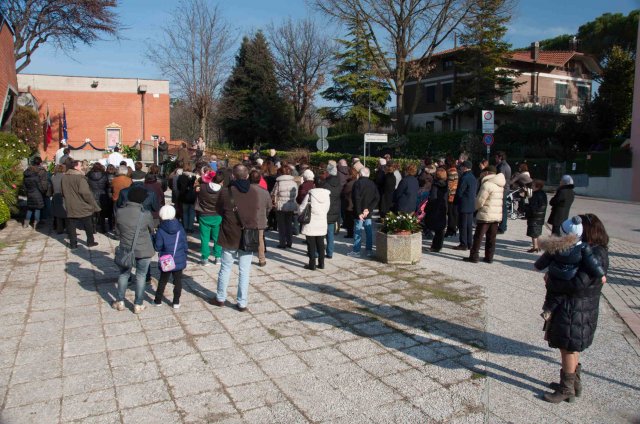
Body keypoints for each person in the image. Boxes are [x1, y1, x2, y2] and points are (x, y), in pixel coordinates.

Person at [542, 213, 609, 403]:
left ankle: (566, 389)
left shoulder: (593, 254)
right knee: (572, 345)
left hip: (575, 308)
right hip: (580, 307)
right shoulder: (594, 251)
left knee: (568, 348)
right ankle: (573, 382)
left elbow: (578, 283)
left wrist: (552, 281)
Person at [535, 216, 605, 326]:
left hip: (572, 310)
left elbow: (546, 258)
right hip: (569, 279)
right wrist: (601, 275)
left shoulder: (558, 246)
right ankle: (549, 309)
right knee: (554, 294)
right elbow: (593, 264)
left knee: (552, 294)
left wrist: (540, 269)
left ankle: (548, 309)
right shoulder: (584, 248)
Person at [210, 164, 260, 312]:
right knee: (244, 270)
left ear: (233, 176)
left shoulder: (226, 192)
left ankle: (220, 298)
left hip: (230, 233)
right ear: (246, 176)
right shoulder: (254, 192)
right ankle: (242, 302)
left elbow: (218, 209)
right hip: (248, 234)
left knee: (225, 267)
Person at [112, 186, 155, 314]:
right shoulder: (145, 214)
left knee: (124, 274)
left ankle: (120, 301)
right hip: (144, 249)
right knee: (141, 276)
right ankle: (138, 304)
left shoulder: (119, 212)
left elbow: (118, 231)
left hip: (126, 248)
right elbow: (151, 229)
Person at [464, 165, 504, 263]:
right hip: (496, 215)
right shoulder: (500, 184)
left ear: (486, 173)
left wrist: (475, 208)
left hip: (485, 214)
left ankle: (474, 256)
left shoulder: (487, 184)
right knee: (491, 238)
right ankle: (489, 257)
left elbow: (480, 201)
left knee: (478, 237)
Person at [153, 205, 189, 309]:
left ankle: (158, 300)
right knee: (178, 281)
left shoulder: (161, 230)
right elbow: (185, 243)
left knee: (163, 280)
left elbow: (158, 247)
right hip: (179, 257)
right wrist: (184, 254)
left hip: (167, 260)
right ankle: (176, 302)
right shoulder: (180, 227)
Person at [61, 160, 101, 249]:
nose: (82, 167)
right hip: (82, 205)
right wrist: (93, 204)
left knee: (71, 225)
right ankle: (90, 241)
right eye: (80, 166)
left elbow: (63, 191)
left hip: (70, 204)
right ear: (75, 167)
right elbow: (85, 193)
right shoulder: (80, 178)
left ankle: (73, 244)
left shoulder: (64, 177)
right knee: (88, 224)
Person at [348, 167, 379, 257]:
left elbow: (356, 199)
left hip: (360, 212)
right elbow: (377, 198)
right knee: (368, 231)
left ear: (360, 174)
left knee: (358, 231)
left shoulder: (357, 183)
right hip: (367, 212)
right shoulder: (372, 183)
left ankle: (356, 251)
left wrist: (359, 212)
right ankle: (369, 250)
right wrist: (368, 209)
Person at [299, 186, 330, 270]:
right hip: (321, 222)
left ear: (315, 184)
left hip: (311, 223)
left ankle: (312, 264)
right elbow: (327, 208)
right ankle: (321, 263)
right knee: (321, 244)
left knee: (311, 244)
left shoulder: (310, 195)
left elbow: (302, 207)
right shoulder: (327, 195)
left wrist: (299, 213)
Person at [196, 171, 223, 265]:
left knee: (204, 238)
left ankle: (205, 258)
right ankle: (218, 257)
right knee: (217, 238)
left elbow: (197, 183)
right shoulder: (222, 190)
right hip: (217, 215)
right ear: (221, 181)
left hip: (204, 215)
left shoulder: (203, 187)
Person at [271, 165, 298, 248]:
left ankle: (282, 243)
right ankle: (289, 242)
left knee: (281, 226)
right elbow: (296, 194)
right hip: (290, 205)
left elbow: (273, 194)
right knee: (289, 224)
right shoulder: (294, 182)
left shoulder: (278, 183)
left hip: (280, 206)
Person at [453, 160, 477, 250]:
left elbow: (460, 192)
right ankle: (469, 243)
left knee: (462, 225)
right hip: (471, 204)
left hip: (464, 204)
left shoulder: (464, 177)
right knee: (469, 225)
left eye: (462, 167)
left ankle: (463, 243)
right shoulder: (473, 177)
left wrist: (455, 202)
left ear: (465, 167)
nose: (461, 168)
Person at [250, 169, 272, 267]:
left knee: (245, 237)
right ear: (260, 180)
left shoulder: (244, 190)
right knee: (260, 239)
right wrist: (265, 214)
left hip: (247, 218)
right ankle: (262, 259)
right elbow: (269, 206)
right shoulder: (265, 192)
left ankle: (245, 256)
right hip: (260, 217)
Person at [319, 161, 341, 259]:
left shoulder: (326, 184)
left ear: (328, 172)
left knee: (320, 233)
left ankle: (317, 251)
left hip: (325, 210)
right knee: (330, 233)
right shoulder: (339, 183)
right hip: (334, 210)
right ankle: (330, 252)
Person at [424, 167, 449, 252]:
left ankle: (435, 246)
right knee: (440, 229)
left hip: (435, 207)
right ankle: (438, 246)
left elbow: (432, 197)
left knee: (433, 226)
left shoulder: (435, 185)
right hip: (443, 207)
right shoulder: (446, 184)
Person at [22, 157, 49, 230]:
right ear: (40, 163)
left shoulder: (27, 174)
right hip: (37, 193)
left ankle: (26, 223)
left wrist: (26, 192)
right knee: (38, 208)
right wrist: (43, 191)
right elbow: (41, 186)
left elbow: (24, 185)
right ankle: (36, 223)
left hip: (29, 193)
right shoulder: (37, 175)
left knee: (30, 208)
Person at [86, 162, 111, 234]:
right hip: (102, 195)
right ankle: (102, 228)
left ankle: (93, 228)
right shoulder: (104, 175)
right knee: (102, 213)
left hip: (92, 194)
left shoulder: (88, 175)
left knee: (93, 213)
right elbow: (108, 185)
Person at [525, 179, 547, 252]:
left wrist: (526, 207)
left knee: (533, 233)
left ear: (537, 186)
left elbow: (533, 207)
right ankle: (538, 246)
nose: (531, 186)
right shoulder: (543, 193)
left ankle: (535, 247)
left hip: (535, 217)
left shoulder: (535, 194)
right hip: (541, 216)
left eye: (532, 185)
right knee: (538, 232)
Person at [495, 151, 512, 234]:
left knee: (502, 209)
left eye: (496, 157)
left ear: (500, 157)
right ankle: (503, 226)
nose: (495, 159)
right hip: (506, 188)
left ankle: (502, 227)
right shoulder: (507, 165)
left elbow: (499, 178)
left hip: (502, 189)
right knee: (503, 208)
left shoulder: (501, 166)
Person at [341, 167, 358, 239]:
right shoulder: (357, 182)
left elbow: (343, 193)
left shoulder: (349, 184)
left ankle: (350, 234)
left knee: (349, 220)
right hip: (354, 204)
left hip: (349, 204)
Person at [51, 164, 67, 234]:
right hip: (63, 195)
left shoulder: (53, 177)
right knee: (65, 212)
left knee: (57, 214)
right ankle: (67, 228)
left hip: (55, 195)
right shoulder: (65, 177)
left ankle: (59, 229)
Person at [445, 158, 459, 237]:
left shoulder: (451, 172)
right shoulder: (455, 171)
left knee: (450, 213)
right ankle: (452, 228)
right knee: (452, 213)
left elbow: (450, 186)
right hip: (454, 195)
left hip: (451, 195)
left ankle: (451, 229)